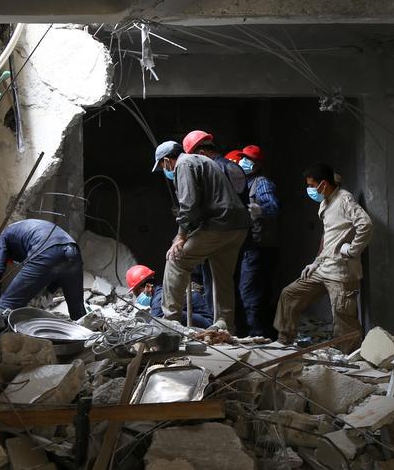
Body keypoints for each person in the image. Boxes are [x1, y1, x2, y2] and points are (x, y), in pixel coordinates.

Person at [152, 140, 250, 330]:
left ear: (167, 160)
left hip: (219, 224)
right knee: (222, 277)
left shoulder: (183, 164)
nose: (165, 170)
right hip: (237, 227)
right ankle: (224, 324)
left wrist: (181, 237)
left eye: (163, 166)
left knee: (176, 259)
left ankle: (170, 321)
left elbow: (189, 204)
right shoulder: (202, 160)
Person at [273, 163, 372, 351]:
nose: (309, 189)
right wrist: (315, 262)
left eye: (311, 185)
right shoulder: (325, 202)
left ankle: (348, 357)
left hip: (342, 273)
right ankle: (284, 341)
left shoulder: (344, 200)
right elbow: (327, 235)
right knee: (290, 294)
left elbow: (365, 224)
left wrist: (353, 250)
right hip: (323, 267)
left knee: (343, 318)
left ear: (323, 184)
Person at [0, 219, 85, 320]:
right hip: (73, 250)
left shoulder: (4, 236)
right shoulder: (23, 231)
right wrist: (50, 291)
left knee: (6, 307)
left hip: (46, 249)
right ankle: (86, 333)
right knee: (78, 313)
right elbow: (60, 266)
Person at [237, 145, 280, 338]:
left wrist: (259, 210)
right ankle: (262, 332)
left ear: (258, 164)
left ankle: (257, 335)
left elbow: (273, 207)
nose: (245, 162)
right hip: (250, 247)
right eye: (243, 158)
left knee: (250, 292)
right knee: (256, 291)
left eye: (250, 159)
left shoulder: (261, 183)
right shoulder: (245, 183)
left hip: (259, 247)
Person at [125, 265, 213, 328]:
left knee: (169, 316)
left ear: (148, 287)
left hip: (207, 324)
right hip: (201, 319)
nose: (137, 297)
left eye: (137, 293)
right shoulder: (161, 292)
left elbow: (153, 326)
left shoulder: (160, 298)